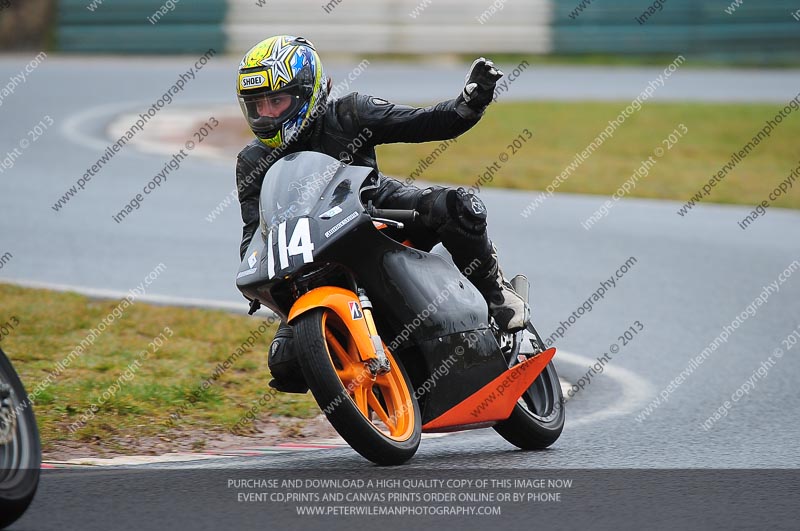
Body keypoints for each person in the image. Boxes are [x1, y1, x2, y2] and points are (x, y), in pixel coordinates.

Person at [235, 35, 529, 393]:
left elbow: (424, 122)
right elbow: (255, 230)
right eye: (257, 105)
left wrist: (468, 105)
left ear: (307, 92)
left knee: (458, 208)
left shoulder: (350, 113)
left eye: (276, 101)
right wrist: (255, 275)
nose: (266, 114)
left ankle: (496, 294)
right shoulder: (251, 161)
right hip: (307, 253)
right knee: (285, 361)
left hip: (375, 207)